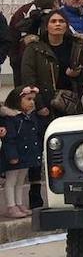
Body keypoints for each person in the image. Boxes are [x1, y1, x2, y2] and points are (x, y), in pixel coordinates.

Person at [0, 86, 42, 219]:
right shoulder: (11, 119)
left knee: (20, 181)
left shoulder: (29, 118)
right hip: (15, 156)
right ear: (17, 101)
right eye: (28, 99)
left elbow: (34, 136)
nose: (32, 102)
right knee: (11, 180)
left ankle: (19, 203)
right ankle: (11, 206)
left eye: (33, 100)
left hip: (26, 155)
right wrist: (12, 155)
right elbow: (9, 139)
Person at [8, 0, 60, 74]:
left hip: (25, 58)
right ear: (55, 4)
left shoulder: (31, 17)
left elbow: (14, 34)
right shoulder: (56, 18)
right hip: (48, 59)